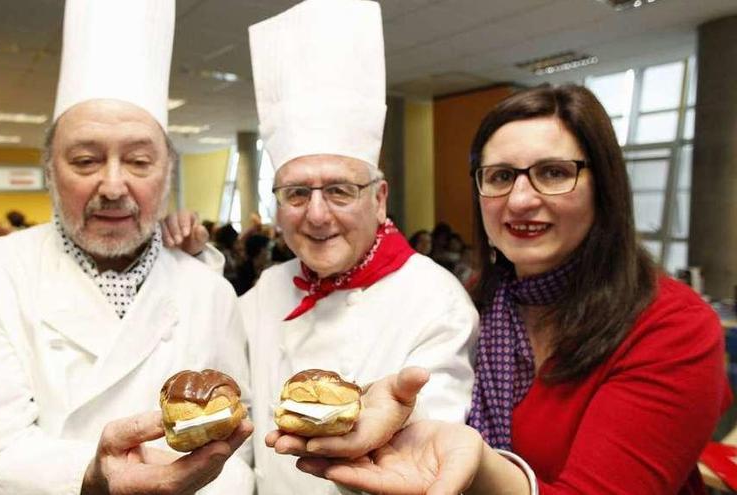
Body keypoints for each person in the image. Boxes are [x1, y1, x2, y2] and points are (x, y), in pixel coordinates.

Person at [292, 84, 731, 494]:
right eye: (500, 176)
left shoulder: (673, 326)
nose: (520, 199)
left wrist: (481, 468)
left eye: (554, 172)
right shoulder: (483, 298)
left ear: (606, 187)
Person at [0, 1, 252, 494]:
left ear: (167, 173)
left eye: (140, 161)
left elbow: (237, 448)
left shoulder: (208, 289)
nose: (114, 185)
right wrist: (90, 476)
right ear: (50, 171)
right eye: (85, 160)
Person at [241, 1, 477, 493]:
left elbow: (428, 452)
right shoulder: (266, 289)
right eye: (297, 193)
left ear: (380, 199)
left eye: (340, 190)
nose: (318, 214)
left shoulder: (436, 298)